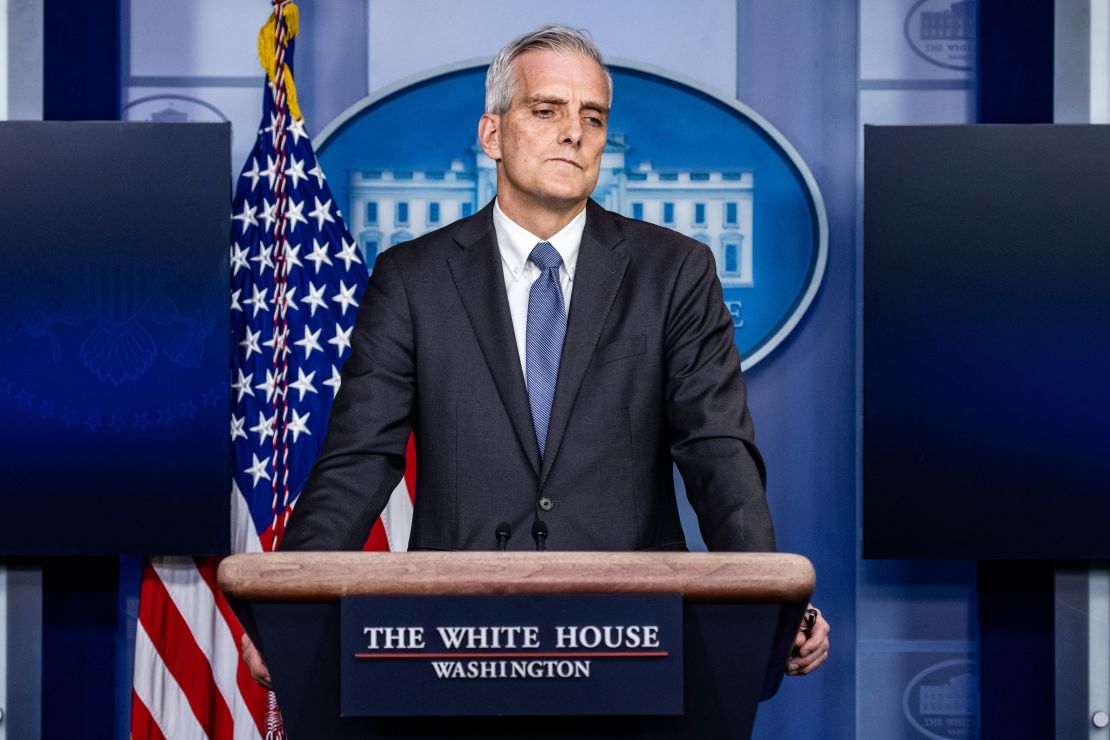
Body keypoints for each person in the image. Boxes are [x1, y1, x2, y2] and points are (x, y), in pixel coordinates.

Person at [244, 23, 829, 684]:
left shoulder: (675, 272)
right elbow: (358, 460)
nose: (573, 132)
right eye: (546, 110)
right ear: (493, 134)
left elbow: (717, 452)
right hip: (453, 641)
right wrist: (285, 608)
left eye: (593, 117)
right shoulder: (413, 278)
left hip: (635, 639)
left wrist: (772, 605)